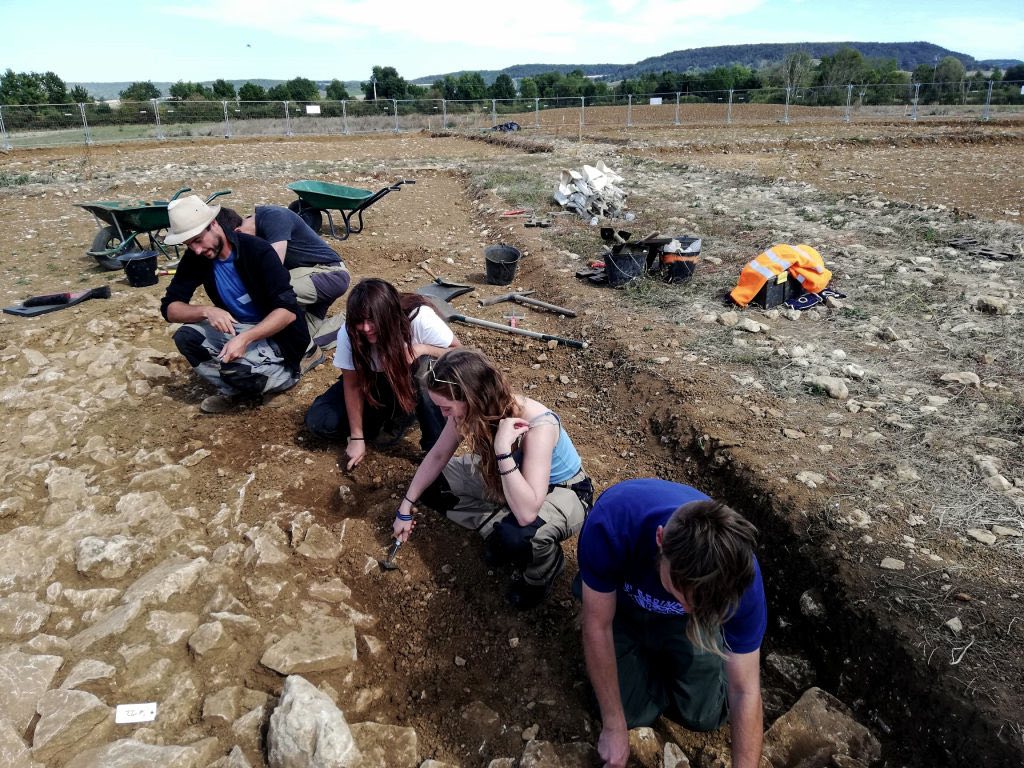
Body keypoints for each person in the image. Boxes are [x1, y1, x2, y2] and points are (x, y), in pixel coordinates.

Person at [576, 479, 767, 768]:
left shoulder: (738, 578)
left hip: (683, 626)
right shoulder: (613, 523)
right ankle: (644, 666)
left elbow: (744, 689)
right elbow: (597, 626)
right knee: (627, 714)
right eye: (680, 591)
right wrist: (614, 726)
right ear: (660, 539)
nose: (688, 608)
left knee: (704, 715)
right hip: (622, 610)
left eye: (698, 602)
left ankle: (659, 665)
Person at [393, 347, 593, 609]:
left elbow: (528, 513)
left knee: (517, 536)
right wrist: (406, 506)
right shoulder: (470, 410)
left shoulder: (538, 427)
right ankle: (496, 521)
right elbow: (439, 455)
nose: (443, 415)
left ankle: (543, 570)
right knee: (430, 486)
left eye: (446, 408)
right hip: (504, 474)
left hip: (562, 490)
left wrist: (502, 450)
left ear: (471, 397)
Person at [160, 195, 311, 414]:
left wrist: (245, 338)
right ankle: (232, 390)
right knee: (186, 337)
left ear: (214, 225)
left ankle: (284, 379)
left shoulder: (257, 250)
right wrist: (206, 311)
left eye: (198, 240)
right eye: (189, 244)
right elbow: (170, 308)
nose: (197, 250)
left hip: (277, 334)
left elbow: (287, 312)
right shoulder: (197, 258)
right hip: (240, 328)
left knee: (236, 369)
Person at [304, 278, 459, 466]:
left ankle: (434, 447)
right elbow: (352, 385)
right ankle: (391, 419)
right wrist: (357, 437)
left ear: (389, 314)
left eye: (372, 320)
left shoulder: (418, 318)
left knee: (426, 370)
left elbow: (459, 353)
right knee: (320, 421)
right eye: (360, 321)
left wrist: (422, 349)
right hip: (374, 383)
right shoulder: (350, 333)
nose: (366, 328)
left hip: (410, 381)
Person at [230, 205, 350, 349]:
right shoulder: (262, 229)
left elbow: (274, 267)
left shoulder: (272, 216)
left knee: (268, 291)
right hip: (311, 281)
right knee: (300, 340)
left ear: (238, 232)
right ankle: (351, 325)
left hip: (330, 274)